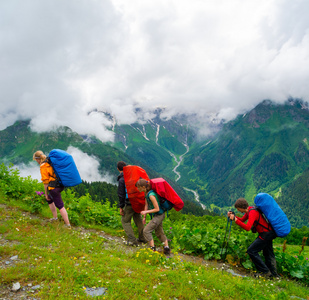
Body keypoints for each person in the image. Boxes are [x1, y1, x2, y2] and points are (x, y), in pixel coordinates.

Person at [228, 198, 278, 278]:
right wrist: (234, 216)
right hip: (268, 233)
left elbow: (248, 227)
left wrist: (235, 220)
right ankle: (273, 274)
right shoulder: (250, 210)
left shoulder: (252, 212)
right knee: (268, 253)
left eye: (238, 209)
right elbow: (242, 220)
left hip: (266, 234)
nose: (238, 210)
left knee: (251, 251)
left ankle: (265, 272)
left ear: (241, 207)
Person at [33, 151, 71, 228]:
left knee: (60, 206)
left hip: (54, 187)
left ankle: (68, 225)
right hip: (60, 184)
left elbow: (46, 182)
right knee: (50, 199)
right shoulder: (50, 161)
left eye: (35, 160)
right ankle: (55, 218)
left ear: (37, 159)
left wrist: (46, 194)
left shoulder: (43, 166)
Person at [135, 178, 170, 255]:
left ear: (143, 187)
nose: (138, 188)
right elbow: (146, 204)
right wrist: (144, 217)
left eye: (139, 187)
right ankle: (167, 249)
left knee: (146, 231)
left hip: (159, 215)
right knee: (159, 232)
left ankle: (152, 249)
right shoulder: (146, 193)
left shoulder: (151, 195)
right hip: (157, 215)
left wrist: (145, 211)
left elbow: (157, 209)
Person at [117, 161, 145, 246]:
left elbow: (121, 195)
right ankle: (143, 238)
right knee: (138, 219)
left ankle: (132, 240)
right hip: (138, 201)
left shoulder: (122, 179)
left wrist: (121, 207)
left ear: (118, 169)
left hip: (129, 203)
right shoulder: (133, 176)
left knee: (125, 221)